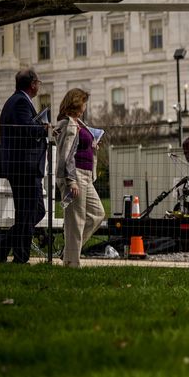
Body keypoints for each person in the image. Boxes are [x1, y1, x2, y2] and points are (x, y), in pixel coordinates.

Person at [0, 68, 48, 263]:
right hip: (25, 168)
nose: (39, 86)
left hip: (22, 167)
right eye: (38, 82)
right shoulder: (20, 102)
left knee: (32, 212)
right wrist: (44, 128)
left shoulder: (16, 101)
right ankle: (18, 257)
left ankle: (1, 247)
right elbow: (27, 130)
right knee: (29, 212)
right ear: (32, 84)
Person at [55, 88, 104, 268]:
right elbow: (65, 155)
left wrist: (92, 146)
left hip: (86, 176)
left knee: (98, 214)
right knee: (76, 221)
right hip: (76, 176)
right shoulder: (68, 124)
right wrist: (71, 180)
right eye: (84, 102)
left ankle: (68, 253)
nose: (85, 106)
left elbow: (79, 146)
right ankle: (72, 263)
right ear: (77, 103)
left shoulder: (79, 122)